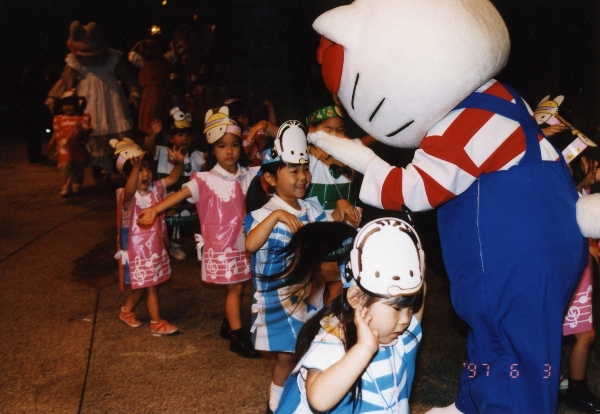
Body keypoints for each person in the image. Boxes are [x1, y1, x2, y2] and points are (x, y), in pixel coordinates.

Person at [244, 120, 361, 413]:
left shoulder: (310, 207)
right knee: (287, 357)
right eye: (293, 171)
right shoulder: (263, 213)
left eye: (305, 169)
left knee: (305, 352)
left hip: (307, 295)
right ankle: (274, 405)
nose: (303, 177)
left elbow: (327, 232)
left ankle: (298, 400)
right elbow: (251, 244)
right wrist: (276, 217)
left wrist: (340, 207)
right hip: (278, 300)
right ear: (270, 179)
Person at [137, 109, 261, 358]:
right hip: (221, 244)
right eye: (222, 146)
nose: (229, 151)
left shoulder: (247, 175)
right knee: (235, 288)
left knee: (238, 286)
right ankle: (237, 336)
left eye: (234, 145)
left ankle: (229, 323)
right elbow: (178, 195)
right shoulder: (205, 180)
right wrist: (155, 209)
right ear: (212, 150)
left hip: (243, 241)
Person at [274, 217, 425, 413]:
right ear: (356, 298)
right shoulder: (334, 340)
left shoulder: (402, 338)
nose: (406, 319)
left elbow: (420, 289)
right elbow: (319, 399)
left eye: (411, 307)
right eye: (397, 309)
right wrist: (364, 349)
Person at [46, 21, 138, 187]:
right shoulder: (75, 62)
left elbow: (125, 74)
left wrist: (134, 89)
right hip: (87, 100)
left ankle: (122, 167)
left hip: (111, 101)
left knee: (117, 133)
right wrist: (54, 97)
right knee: (92, 133)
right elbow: (65, 80)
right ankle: (99, 168)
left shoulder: (112, 58)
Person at [111, 138, 184, 335]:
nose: (145, 174)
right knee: (151, 287)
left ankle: (126, 311)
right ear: (126, 175)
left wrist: (179, 163)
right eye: (138, 170)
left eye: (146, 168)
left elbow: (173, 178)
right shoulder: (126, 196)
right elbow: (129, 190)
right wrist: (135, 168)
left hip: (155, 248)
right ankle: (156, 322)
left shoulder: (155, 188)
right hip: (139, 253)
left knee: (143, 286)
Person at [145, 108, 204, 260]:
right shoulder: (163, 153)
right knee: (165, 226)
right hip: (165, 202)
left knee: (184, 224)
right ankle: (164, 244)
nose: (185, 138)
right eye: (180, 135)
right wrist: (154, 134)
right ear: (171, 138)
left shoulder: (196, 157)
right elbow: (148, 148)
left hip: (186, 205)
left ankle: (176, 245)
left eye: (188, 135)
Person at [48, 89, 93, 197]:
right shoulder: (59, 119)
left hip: (78, 148)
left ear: (76, 105)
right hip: (64, 149)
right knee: (65, 166)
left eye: (70, 104)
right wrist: (52, 142)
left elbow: (88, 128)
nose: (67, 107)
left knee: (78, 166)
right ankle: (65, 186)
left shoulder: (82, 118)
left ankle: (76, 185)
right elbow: (57, 132)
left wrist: (87, 130)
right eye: (65, 105)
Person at [225, 98, 277, 167]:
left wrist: (270, 107)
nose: (241, 121)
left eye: (245, 117)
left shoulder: (254, 131)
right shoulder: (228, 135)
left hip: (258, 170)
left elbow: (271, 128)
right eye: (236, 118)